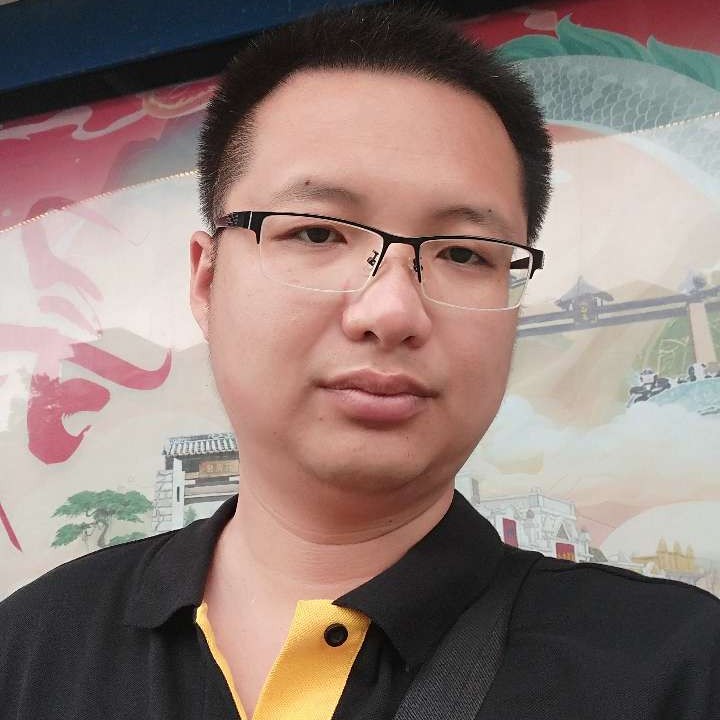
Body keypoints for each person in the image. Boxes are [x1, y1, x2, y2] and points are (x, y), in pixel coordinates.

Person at [1, 5, 719, 719]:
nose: (392, 312)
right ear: (207, 279)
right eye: (317, 234)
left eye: (463, 253)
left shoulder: (675, 674)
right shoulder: (30, 653)